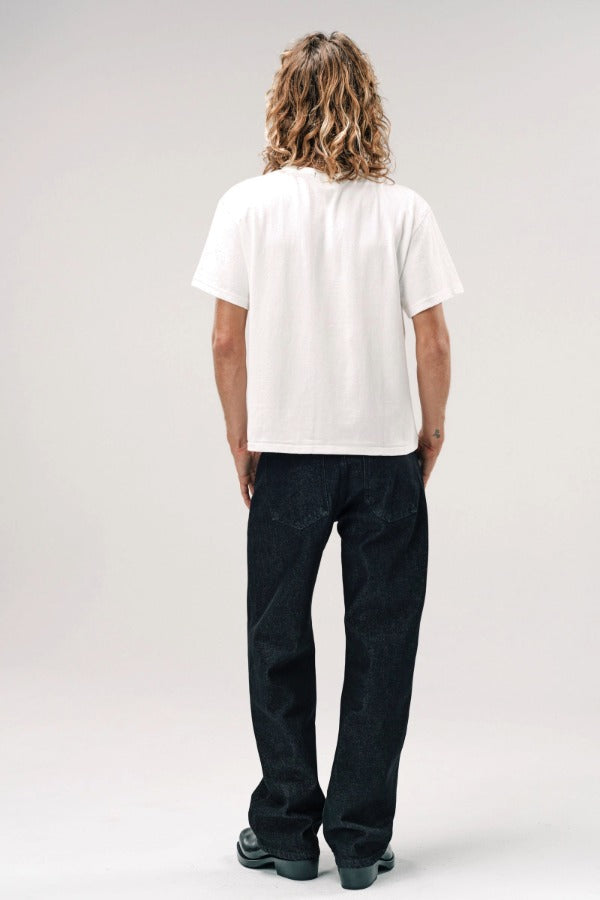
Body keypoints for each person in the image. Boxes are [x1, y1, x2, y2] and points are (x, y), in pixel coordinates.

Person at [190, 30, 464, 891]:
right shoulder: (404, 210)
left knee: (277, 640)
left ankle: (283, 833)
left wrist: (242, 435)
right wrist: (433, 429)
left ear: (283, 104)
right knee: (383, 645)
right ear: (365, 103)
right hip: (384, 456)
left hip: (291, 457)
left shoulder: (246, 205)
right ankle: (357, 838)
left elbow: (226, 339)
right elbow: (434, 340)